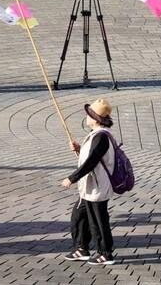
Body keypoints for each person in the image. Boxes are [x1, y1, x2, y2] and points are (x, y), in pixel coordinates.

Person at [61, 99, 119, 266]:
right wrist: (79, 149)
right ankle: (81, 248)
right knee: (79, 216)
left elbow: (91, 162)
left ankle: (105, 253)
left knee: (98, 221)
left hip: (97, 188)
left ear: (96, 118)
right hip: (89, 187)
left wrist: (71, 178)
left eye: (89, 114)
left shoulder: (101, 136)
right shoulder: (97, 134)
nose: (86, 116)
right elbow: (90, 158)